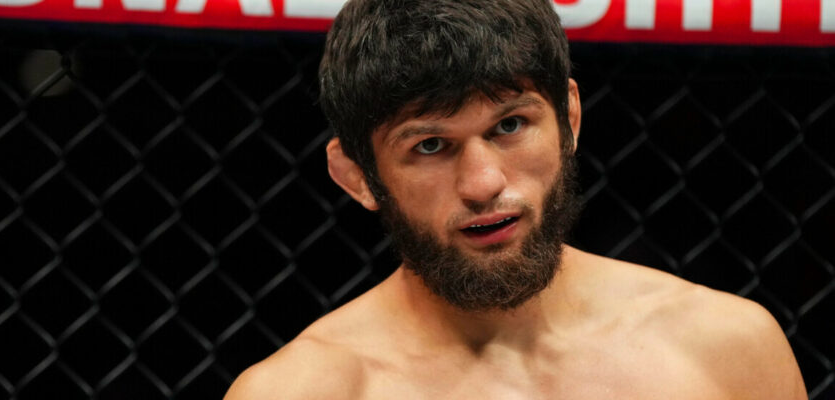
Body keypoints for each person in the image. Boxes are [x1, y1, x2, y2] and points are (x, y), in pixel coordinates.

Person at [225, 0, 807, 398]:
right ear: (355, 176)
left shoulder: (725, 349)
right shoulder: (302, 391)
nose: (483, 184)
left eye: (509, 126)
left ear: (569, 119)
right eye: (430, 145)